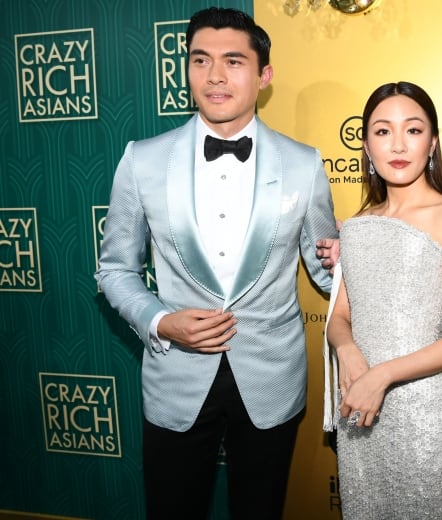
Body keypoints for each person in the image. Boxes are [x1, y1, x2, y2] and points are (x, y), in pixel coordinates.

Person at [95, 7, 337, 519]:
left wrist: (367, 259)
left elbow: (325, 269)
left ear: (263, 75)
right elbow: (115, 269)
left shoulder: (304, 163)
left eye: (234, 61)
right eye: (200, 60)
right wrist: (160, 320)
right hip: (175, 377)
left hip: (272, 377)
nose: (216, 76)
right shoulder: (141, 159)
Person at [322, 81, 442, 519]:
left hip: (425, 418)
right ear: (366, 146)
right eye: (382, 131)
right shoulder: (355, 227)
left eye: (413, 131)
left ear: (432, 143)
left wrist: (383, 376)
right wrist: (347, 348)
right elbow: (338, 318)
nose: (397, 144)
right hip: (357, 412)